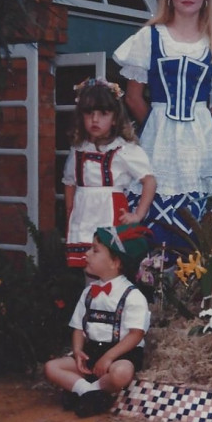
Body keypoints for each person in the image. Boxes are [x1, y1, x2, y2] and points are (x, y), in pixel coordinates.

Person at [113, 0, 212, 258]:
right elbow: (133, 98)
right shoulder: (149, 37)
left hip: (202, 145)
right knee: (151, 214)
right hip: (158, 139)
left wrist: (193, 126)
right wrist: (162, 124)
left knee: (209, 225)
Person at [45, 223, 153, 417]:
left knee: (121, 373)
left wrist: (109, 357)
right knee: (51, 367)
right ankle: (89, 393)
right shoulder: (88, 292)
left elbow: (136, 334)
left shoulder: (133, 295)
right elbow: (78, 327)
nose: (87, 254)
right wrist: (78, 351)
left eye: (95, 251)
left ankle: (86, 390)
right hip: (92, 352)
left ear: (115, 263)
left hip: (120, 354)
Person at [63, 78, 156, 275]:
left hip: (109, 213)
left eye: (103, 114)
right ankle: (92, 302)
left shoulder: (123, 149)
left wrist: (138, 215)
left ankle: (113, 303)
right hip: (84, 216)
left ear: (115, 118)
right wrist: (71, 210)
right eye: (89, 113)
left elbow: (149, 181)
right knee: (88, 265)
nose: (95, 120)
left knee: (109, 266)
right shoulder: (78, 149)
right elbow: (70, 182)